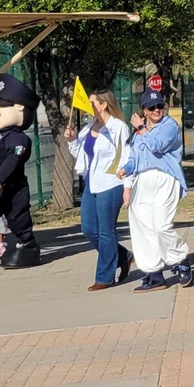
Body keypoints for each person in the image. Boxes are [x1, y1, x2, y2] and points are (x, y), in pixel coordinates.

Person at [123, 91, 192, 290]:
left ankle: (180, 261)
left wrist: (142, 129)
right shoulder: (137, 134)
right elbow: (133, 160)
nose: (156, 111)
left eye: (159, 106)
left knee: (161, 225)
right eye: (151, 107)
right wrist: (125, 172)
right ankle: (153, 273)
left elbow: (158, 146)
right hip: (142, 182)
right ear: (144, 110)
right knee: (143, 228)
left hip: (165, 177)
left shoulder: (169, 125)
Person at [69, 91, 131, 290]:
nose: (88, 105)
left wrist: (127, 186)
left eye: (92, 102)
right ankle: (123, 255)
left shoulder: (118, 127)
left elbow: (126, 157)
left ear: (103, 105)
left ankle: (104, 277)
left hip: (111, 183)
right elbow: (81, 154)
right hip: (91, 183)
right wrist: (72, 140)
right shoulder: (88, 127)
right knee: (88, 229)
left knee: (106, 231)